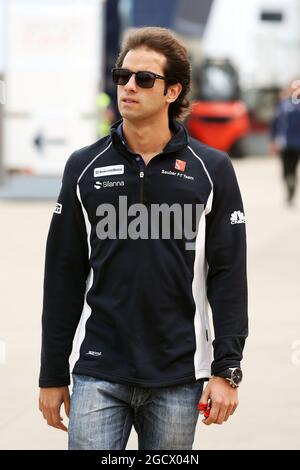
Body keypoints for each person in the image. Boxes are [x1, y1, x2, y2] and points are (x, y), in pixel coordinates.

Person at [39, 27, 248, 450]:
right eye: (122, 76)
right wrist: (52, 374)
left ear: (173, 91)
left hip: (177, 376)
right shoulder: (84, 167)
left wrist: (227, 368)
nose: (128, 86)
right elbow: (62, 276)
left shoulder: (213, 170)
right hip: (99, 369)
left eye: (143, 79)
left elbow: (228, 275)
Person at [270, 80, 300, 205]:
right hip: (284, 143)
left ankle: (291, 189)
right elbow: (275, 124)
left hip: (297, 144)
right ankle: (289, 187)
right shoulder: (283, 105)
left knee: (292, 168)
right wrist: (273, 140)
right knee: (285, 170)